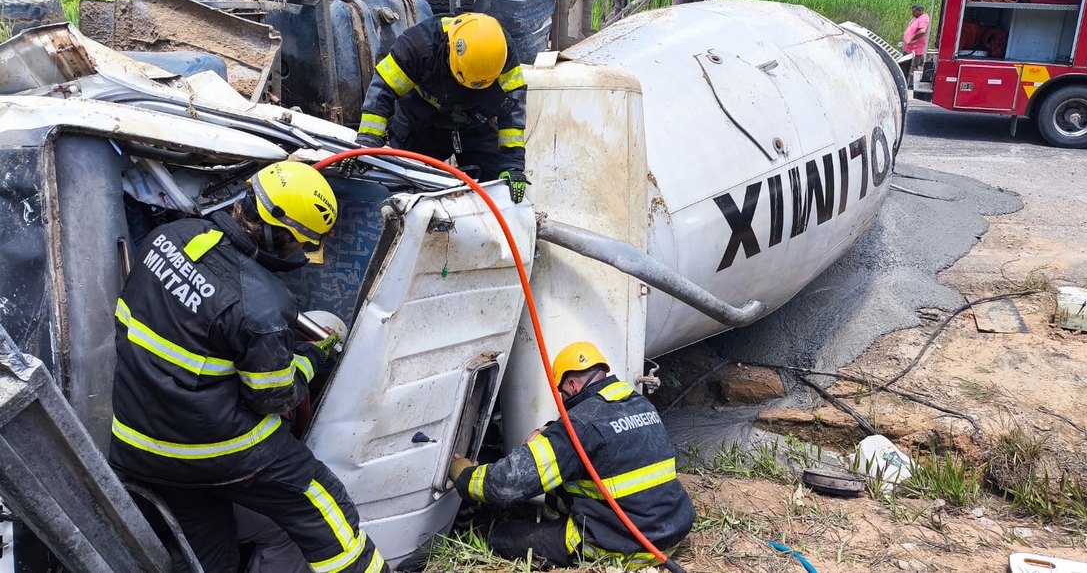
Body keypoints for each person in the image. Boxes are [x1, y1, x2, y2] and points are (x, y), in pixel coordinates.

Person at [109, 160, 387, 573]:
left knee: (209, 551)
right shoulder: (261, 304)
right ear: (281, 233)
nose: (300, 252)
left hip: (137, 443)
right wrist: (313, 356)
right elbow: (275, 397)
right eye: (302, 243)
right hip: (215, 450)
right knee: (323, 505)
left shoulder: (168, 238)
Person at [448, 342, 695, 569]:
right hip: (671, 532)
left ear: (572, 385)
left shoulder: (578, 427)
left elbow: (506, 484)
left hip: (623, 546)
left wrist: (465, 474)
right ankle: (554, 526)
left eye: (561, 394)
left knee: (503, 535)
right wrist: (549, 430)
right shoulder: (639, 404)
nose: (561, 403)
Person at [356, 12, 529, 203]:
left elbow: (512, 110)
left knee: (496, 186)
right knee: (406, 191)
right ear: (449, 49)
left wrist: (513, 165)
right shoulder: (417, 46)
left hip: (474, 123)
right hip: (421, 125)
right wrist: (366, 145)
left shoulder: (501, 51)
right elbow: (382, 90)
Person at [901, 3, 931, 77]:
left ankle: (907, 84)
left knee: (910, 70)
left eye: (914, 11)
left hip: (915, 51)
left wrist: (911, 39)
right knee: (904, 68)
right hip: (909, 49)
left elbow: (922, 31)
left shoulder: (924, 18)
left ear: (920, 11)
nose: (913, 13)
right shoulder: (917, 18)